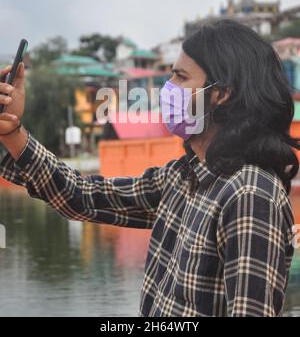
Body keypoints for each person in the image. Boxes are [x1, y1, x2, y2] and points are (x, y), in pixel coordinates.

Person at [0, 19, 298, 317]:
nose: (168, 90)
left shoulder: (250, 195)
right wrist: (11, 132)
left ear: (222, 94)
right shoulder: (184, 177)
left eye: (181, 78)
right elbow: (82, 195)